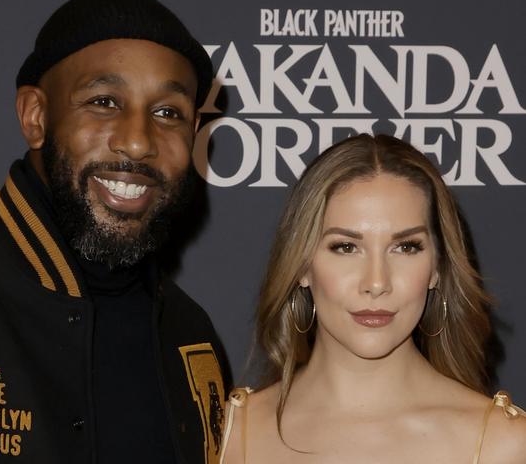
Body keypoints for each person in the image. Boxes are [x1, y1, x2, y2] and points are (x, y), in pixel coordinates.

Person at [0, 0, 229, 464]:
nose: (138, 142)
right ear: (36, 116)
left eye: (169, 113)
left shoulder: (190, 334)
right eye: (104, 101)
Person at [221, 134, 526, 463]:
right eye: (346, 247)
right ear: (302, 266)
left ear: (437, 267)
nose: (377, 282)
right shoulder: (232, 431)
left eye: (406, 247)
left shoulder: (503, 443)